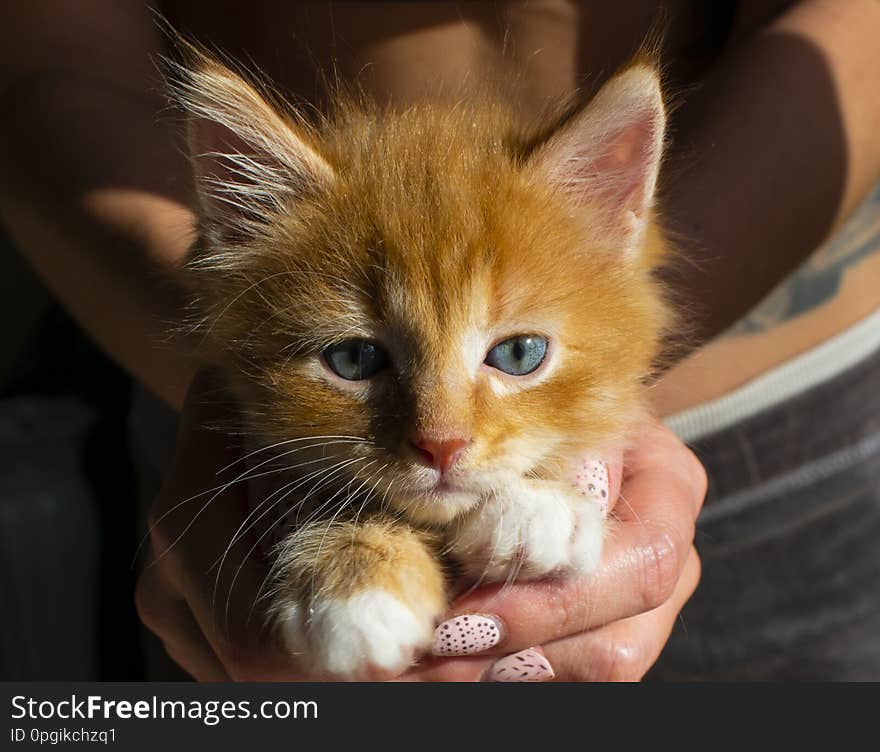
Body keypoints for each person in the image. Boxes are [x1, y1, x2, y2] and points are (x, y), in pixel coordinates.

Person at [1, 0, 878, 680]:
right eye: (358, 359)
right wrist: (244, 395)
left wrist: (597, 422)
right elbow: (42, 58)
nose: (440, 435)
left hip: (803, 468)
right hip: (236, 454)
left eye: (514, 353)